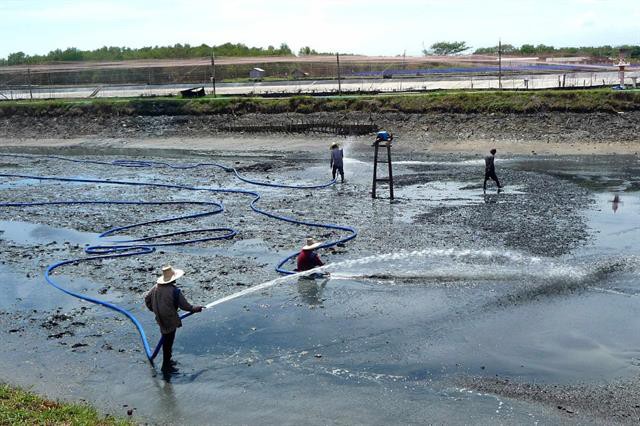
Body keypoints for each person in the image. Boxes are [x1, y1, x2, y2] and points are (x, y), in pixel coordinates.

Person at [144, 265, 204, 375]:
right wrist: (195, 309)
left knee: (166, 339)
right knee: (168, 341)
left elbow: (147, 299)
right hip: (169, 319)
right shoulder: (175, 291)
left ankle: (168, 362)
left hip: (160, 318)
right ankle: (166, 366)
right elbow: (185, 306)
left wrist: (155, 309)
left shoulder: (155, 287)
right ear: (174, 278)